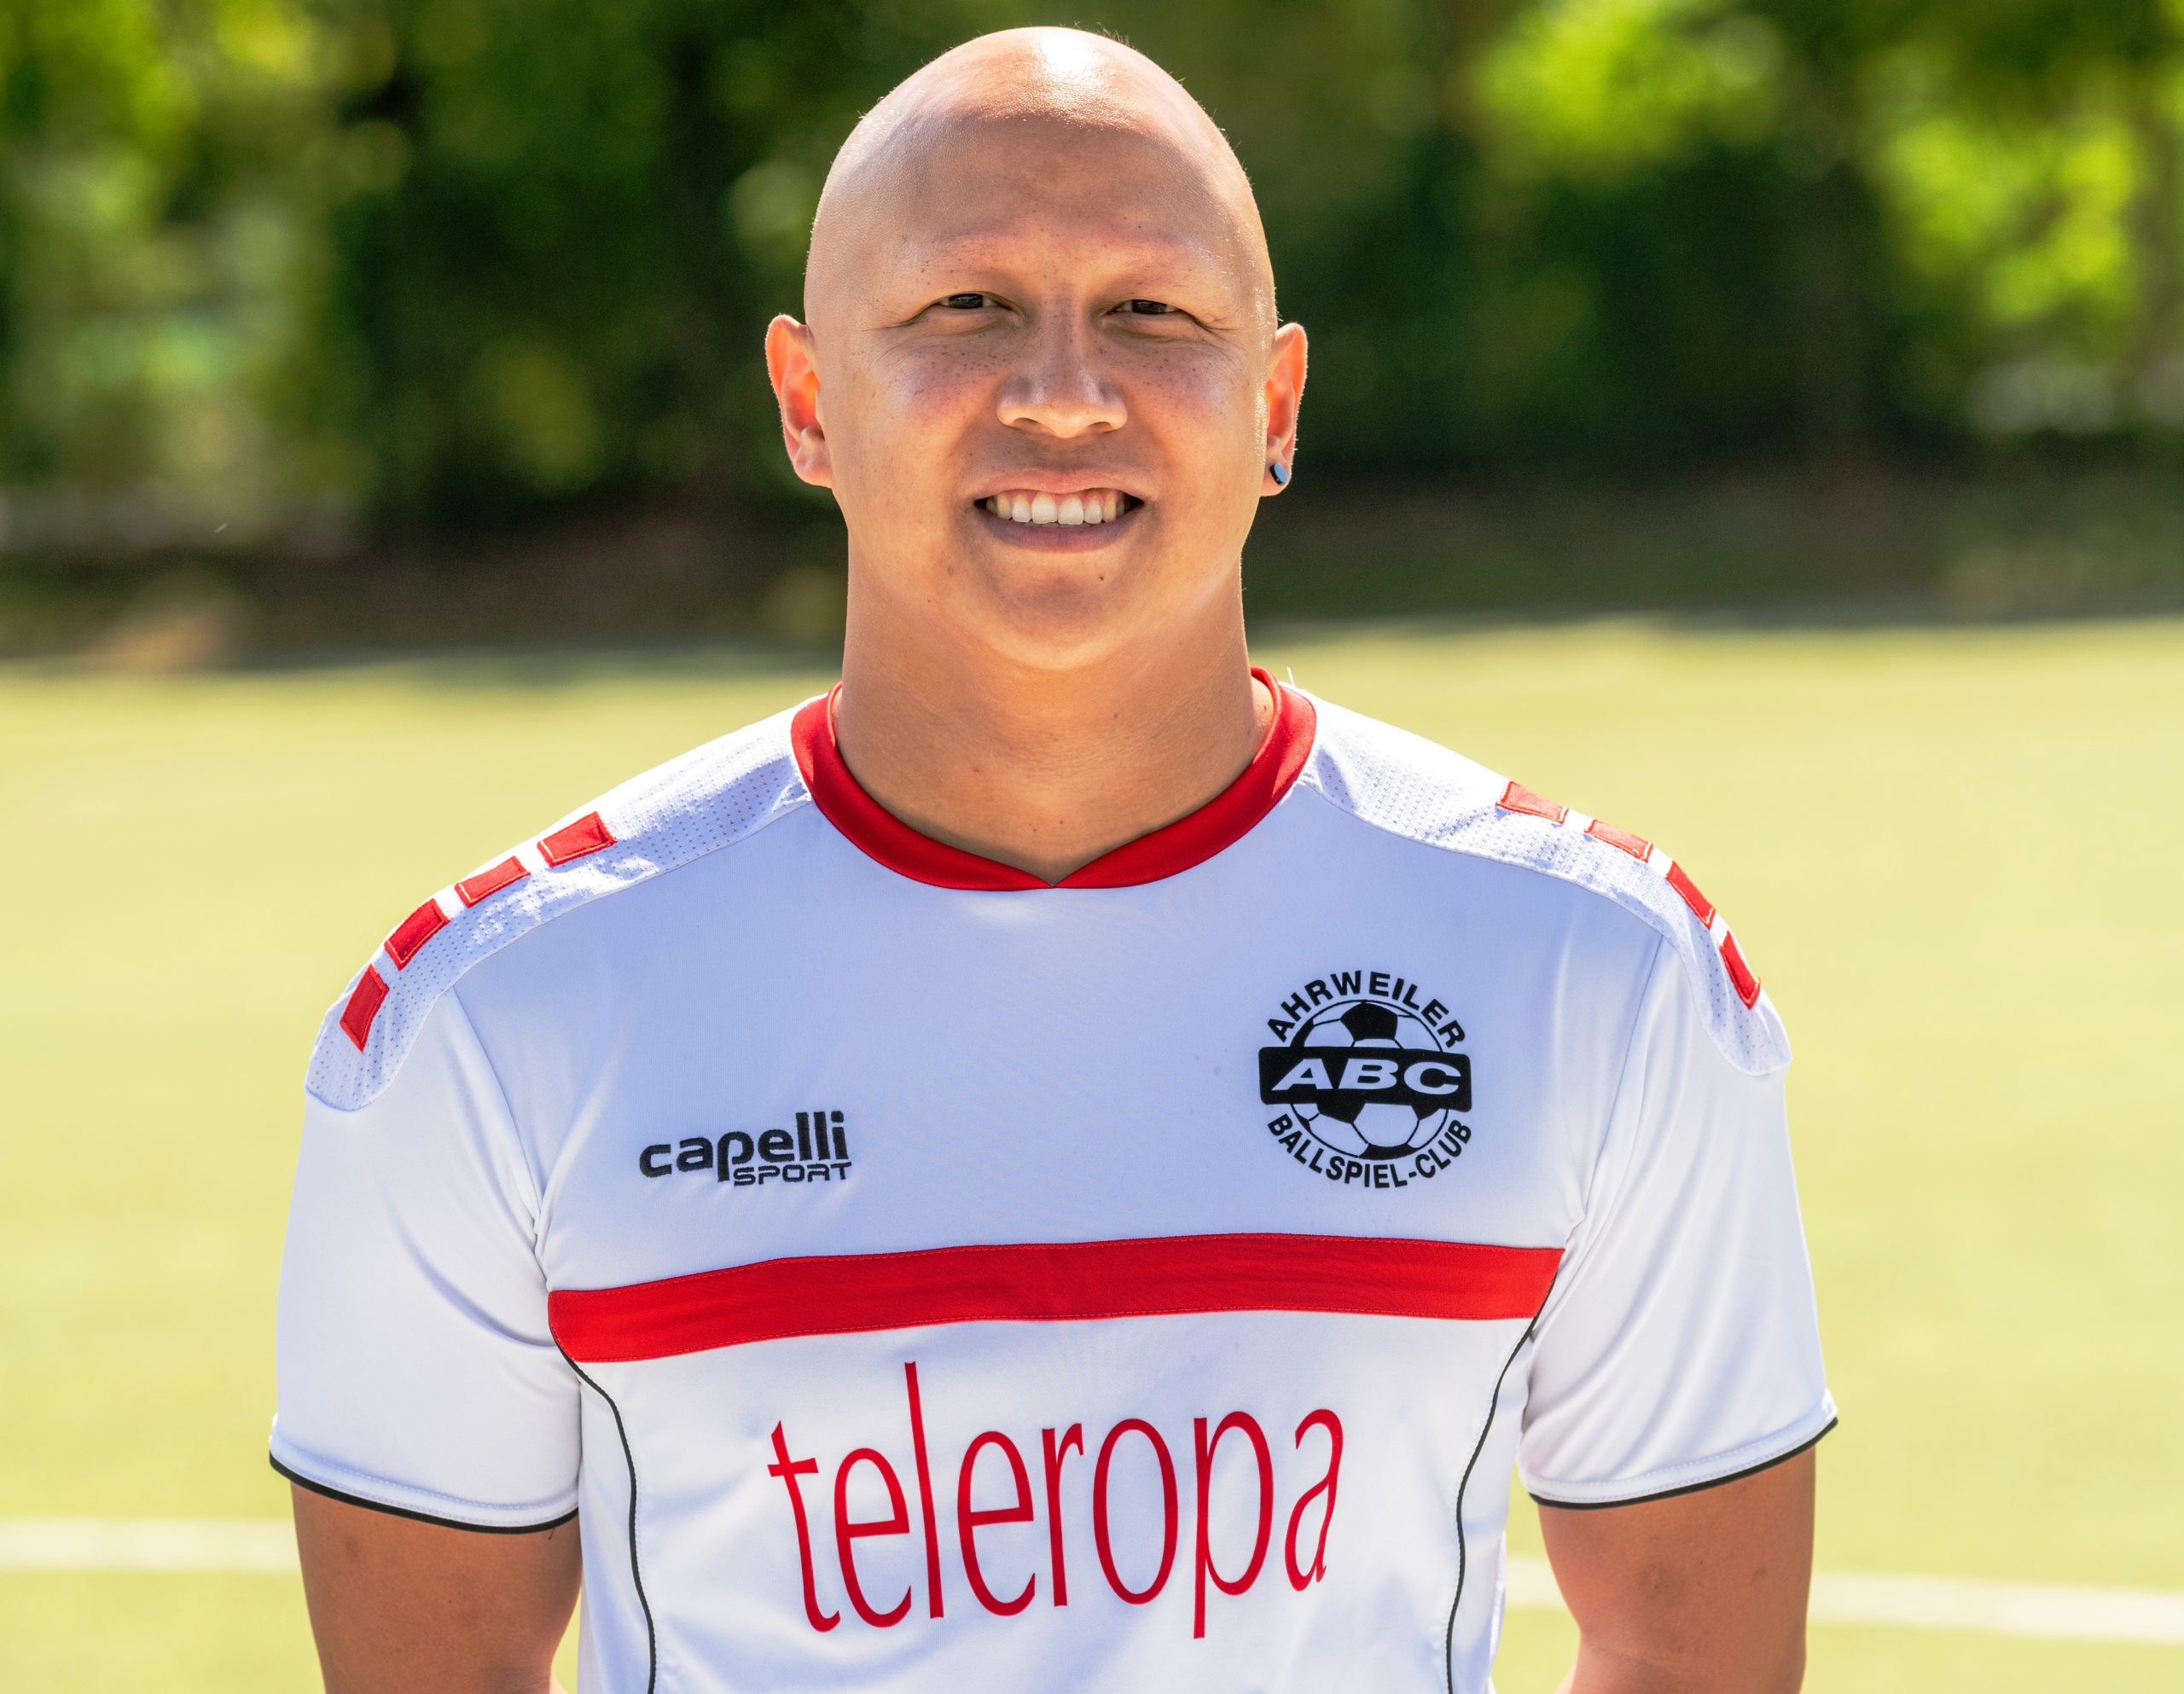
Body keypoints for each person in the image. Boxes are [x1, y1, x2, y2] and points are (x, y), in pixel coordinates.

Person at [272, 26, 1832, 1694]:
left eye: (1152, 312)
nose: (1066, 392)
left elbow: (1687, 1648)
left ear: (1275, 405)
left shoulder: (1592, 964)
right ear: (808, 401)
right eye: (967, 306)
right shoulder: (495, 1009)